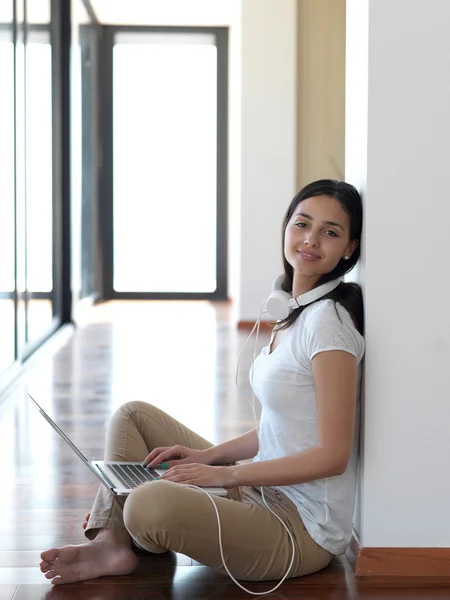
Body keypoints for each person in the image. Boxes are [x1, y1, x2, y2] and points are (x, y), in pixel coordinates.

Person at [39, 179, 365, 586]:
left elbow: (332, 456)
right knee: (134, 416)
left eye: (330, 232)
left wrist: (226, 475)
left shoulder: (328, 326)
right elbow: (280, 428)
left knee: (145, 504)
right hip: (257, 489)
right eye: (302, 224)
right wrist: (204, 456)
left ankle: (128, 525)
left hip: (298, 529)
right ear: (286, 227)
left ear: (349, 247)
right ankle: (112, 542)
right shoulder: (295, 312)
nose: (310, 240)